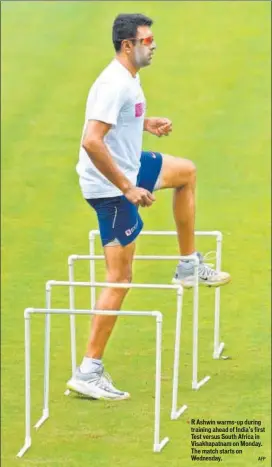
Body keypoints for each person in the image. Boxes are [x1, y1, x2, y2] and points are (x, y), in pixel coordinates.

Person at [67, 13, 230, 400]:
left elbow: (114, 122)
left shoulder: (127, 80)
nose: (153, 46)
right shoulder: (113, 84)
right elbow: (92, 141)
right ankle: (89, 371)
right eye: (147, 40)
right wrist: (126, 187)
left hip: (130, 166)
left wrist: (144, 123)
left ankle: (188, 265)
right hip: (109, 186)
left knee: (186, 173)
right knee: (120, 279)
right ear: (128, 45)